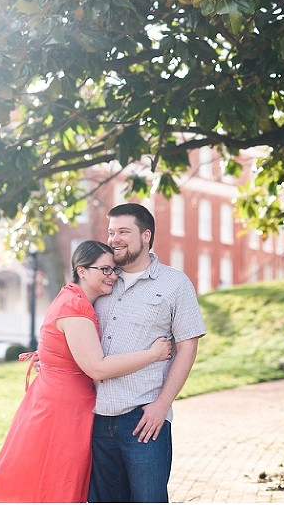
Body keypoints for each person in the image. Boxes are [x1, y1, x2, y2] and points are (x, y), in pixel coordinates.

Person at [0, 241, 172, 503]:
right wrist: (153, 354)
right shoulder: (76, 306)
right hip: (62, 411)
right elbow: (97, 368)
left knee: (49, 488)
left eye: (114, 270)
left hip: (58, 402)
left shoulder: (73, 299)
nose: (113, 276)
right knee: (56, 489)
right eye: (104, 270)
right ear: (82, 271)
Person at [88, 203, 206, 503]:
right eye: (111, 232)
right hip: (96, 419)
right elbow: (74, 324)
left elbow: (187, 346)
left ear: (146, 235)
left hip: (144, 419)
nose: (114, 239)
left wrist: (162, 406)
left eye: (124, 231)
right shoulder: (100, 280)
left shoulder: (175, 283)